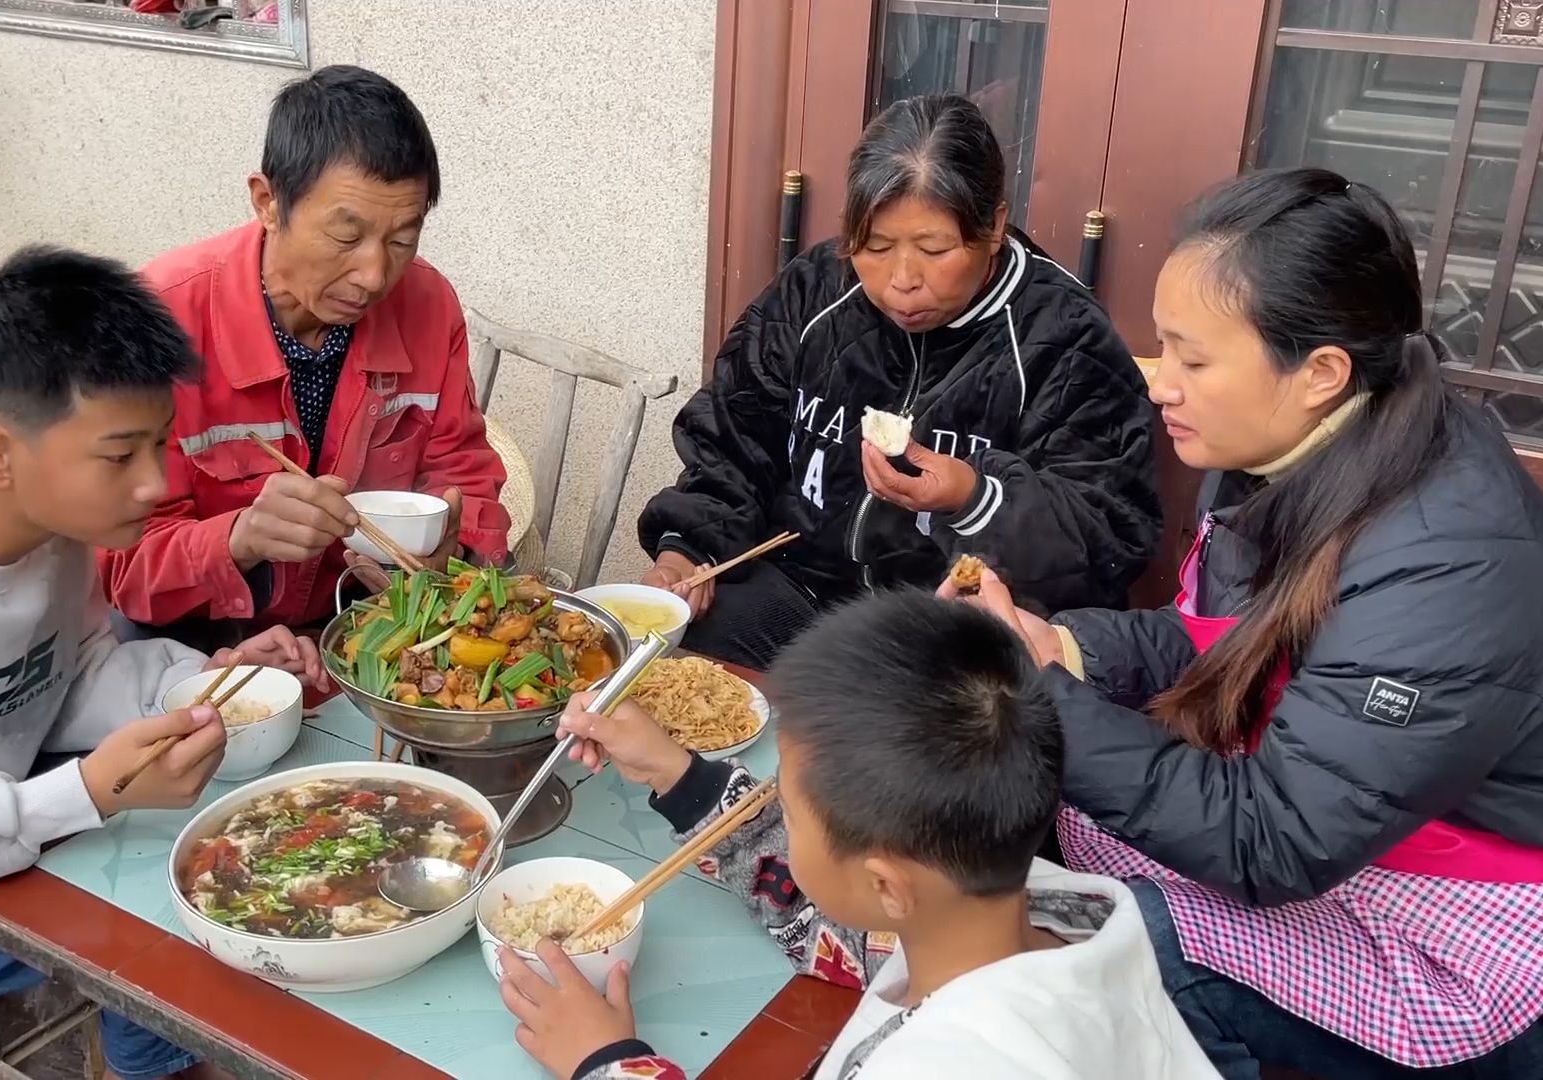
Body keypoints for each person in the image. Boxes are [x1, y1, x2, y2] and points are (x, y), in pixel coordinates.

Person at [956, 168, 1543, 1078]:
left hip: (1463, 925)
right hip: (1344, 829)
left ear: (1320, 372)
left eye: (1193, 360)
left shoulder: (1450, 557)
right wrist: (1056, 645)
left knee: (1116, 950)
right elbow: (1227, 645)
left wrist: (1042, 700)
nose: (1163, 387)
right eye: (1164, 350)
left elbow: (1275, 840)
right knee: (1053, 831)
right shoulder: (1308, 442)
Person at [0, 247, 326, 1080]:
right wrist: (79, 795)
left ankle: (137, 1055)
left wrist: (204, 687)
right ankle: (151, 1065)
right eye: (120, 456)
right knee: (195, 905)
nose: (156, 483)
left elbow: (67, 670)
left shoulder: (40, 515)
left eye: (161, 443)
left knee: (226, 820)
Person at [494, 590, 1217, 1080]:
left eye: (791, 810)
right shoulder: (1030, 911)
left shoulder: (966, 1061)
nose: (780, 819)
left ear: (884, 885)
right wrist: (683, 778)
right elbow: (837, 927)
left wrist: (608, 1061)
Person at [637, 93, 1160, 670]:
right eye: (877, 247)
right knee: (665, 671)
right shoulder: (815, 290)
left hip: (950, 633)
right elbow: (735, 431)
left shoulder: (1064, 339)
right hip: (802, 594)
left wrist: (973, 498)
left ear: (993, 227)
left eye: (934, 249)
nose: (901, 281)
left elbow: (1107, 534)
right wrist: (690, 549)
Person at [101, 65, 511, 650]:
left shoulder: (427, 303)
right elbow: (122, 563)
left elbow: (462, 465)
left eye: (401, 240)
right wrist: (239, 537)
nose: (373, 275)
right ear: (268, 203)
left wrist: (458, 543)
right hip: (192, 646)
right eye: (346, 237)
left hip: (364, 630)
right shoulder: (156, 322)